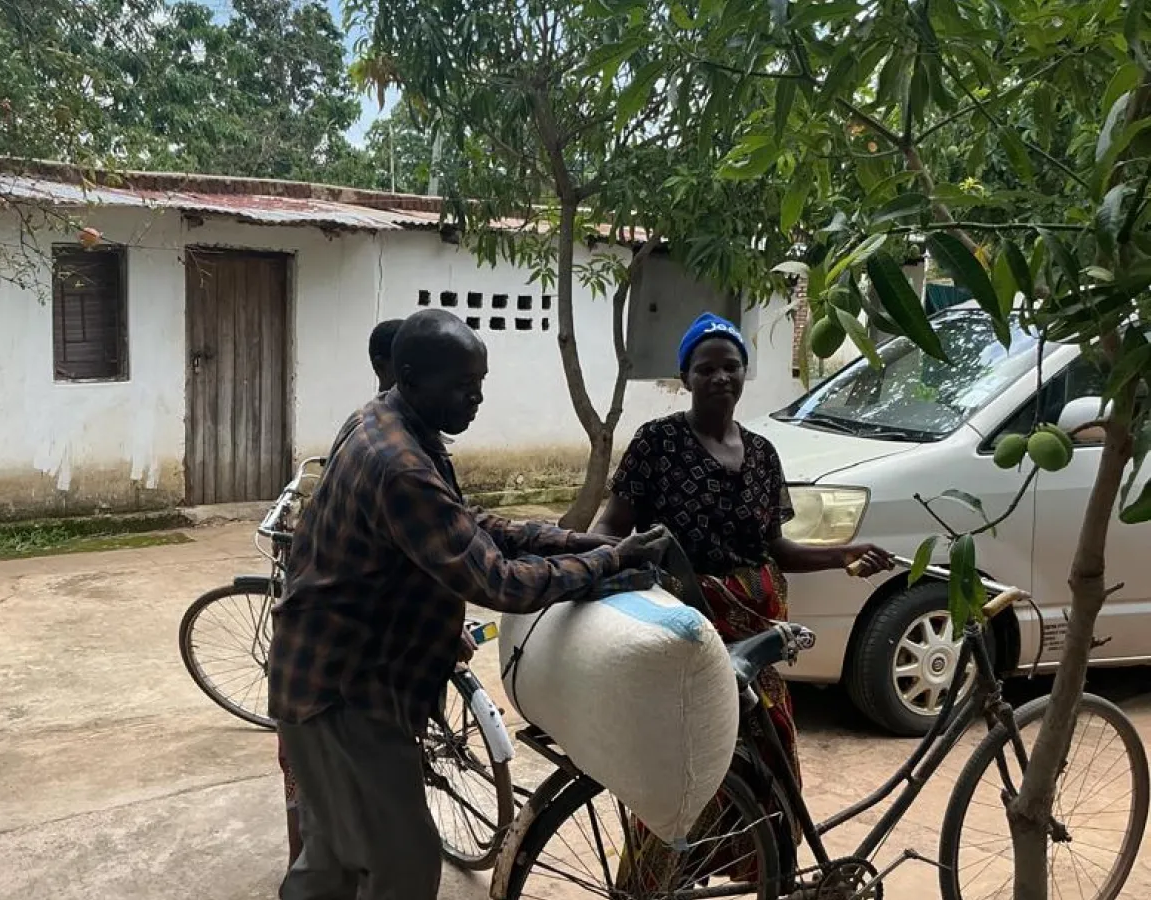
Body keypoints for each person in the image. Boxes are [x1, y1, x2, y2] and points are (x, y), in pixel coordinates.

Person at [268, 308, 670, 900]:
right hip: (347, 695)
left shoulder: (383, 421)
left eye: (480, 384)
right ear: (410, 374)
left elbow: (465, 526)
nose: (476, 399)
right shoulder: (398, 464)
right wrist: (609, 562)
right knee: (402, 866)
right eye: (463, 387)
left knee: (331, 857)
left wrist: (585, 541)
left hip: (322, 675)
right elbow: (498, 582)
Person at [594, 311, 892, 885]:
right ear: (685, 377)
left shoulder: (761, 454)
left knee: (768, 764)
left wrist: (843, 553)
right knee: (690, 766)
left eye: (731, 366)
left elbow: (775, 547)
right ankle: (653, 884)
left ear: (744, 374)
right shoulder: (657, 443)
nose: (720, 377)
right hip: (689, 631)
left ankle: (756, 874)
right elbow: (612, 526)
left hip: (760, 639)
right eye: (705, 368)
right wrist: (590, 570)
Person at [279, 315, 408, 869]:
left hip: (333, 656)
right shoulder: (384, 446)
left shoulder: (369, 426)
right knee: (314, 790)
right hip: (330, 666)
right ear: (393, 369)